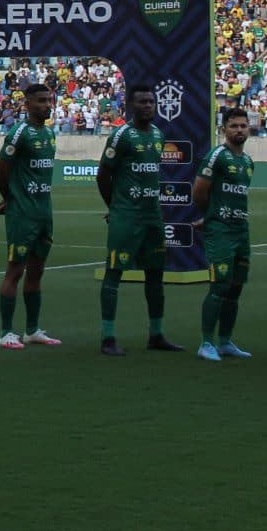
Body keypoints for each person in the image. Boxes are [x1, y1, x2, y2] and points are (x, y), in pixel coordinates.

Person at [97, 81, 179, 356]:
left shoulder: (157, 134)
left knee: (155, 274)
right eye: (142, 102)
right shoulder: (122, 135)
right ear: (131, 106)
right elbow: (103, 175)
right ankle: (108, 338)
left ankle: (156, 334)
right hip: (127, 216)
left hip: (152, 216)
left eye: (150, 102)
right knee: (114, 273)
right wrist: (116, 206)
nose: (147, 106)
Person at [0, 82, 61, 350]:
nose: (47, 105)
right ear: (28, 104)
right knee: (15, 271)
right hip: (23, 213)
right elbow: (0, 170)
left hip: (44, 212)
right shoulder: (19, 133)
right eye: (42, 100)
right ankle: (6, 332)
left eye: (49, 100)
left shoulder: (50, 134)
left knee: (37, 271)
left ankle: (32, 329)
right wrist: (10, 198)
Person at [191, 107, 254, 361]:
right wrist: (212, 217)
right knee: (219, 285)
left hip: (241, 230)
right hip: (221, 231)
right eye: (234, 126)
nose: (239, 130)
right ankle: (206, 343)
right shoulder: (217, 156)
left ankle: (226, 341)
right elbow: (199, 191)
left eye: (243, 126)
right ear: (224, 129)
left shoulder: (247, 162)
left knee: (236, 287)